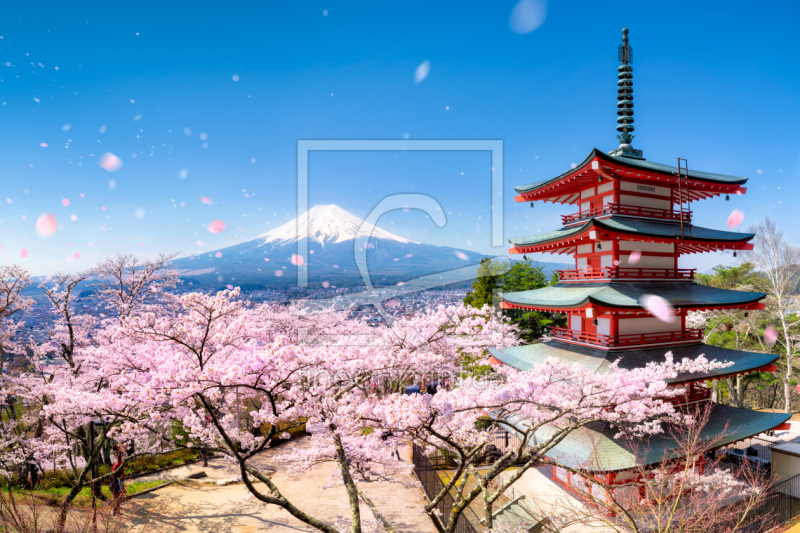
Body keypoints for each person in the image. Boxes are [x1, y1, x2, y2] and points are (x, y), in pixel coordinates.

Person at [109, 446, 127, 515]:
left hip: (119, 484)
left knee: (118, 499)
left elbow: (122, 474)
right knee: (117, 498)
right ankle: (115, 511)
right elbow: (114, 475)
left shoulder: (118, 465)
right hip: (116, 485)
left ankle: (117, 511)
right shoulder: (116, 466)